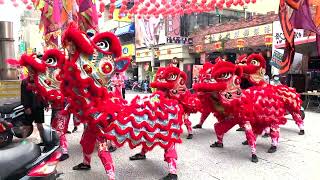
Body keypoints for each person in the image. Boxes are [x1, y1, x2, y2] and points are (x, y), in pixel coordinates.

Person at [21, 78, 47, 145]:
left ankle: (43, 141)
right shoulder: (24, 81)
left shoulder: (40, 80)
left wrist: (46, 104)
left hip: (39, 107)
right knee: (27, 126)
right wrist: (26, 107)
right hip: (29, 107)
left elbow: (44, 93)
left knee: (40, 126)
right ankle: (23, 141)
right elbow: (23, 95)